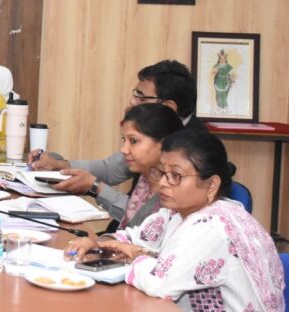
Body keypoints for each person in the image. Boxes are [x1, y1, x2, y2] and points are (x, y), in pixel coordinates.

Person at [66, 129, 284, 311]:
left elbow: (159, 283)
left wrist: (134, 255)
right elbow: (135, 237)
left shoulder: (212, 229)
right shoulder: (176, 212)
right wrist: (101, 245)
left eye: (176, 176)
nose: (163, 183)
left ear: (211, 185)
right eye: (163, 172)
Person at [29, 60, 207, 212]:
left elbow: (146, 220)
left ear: (168, 107)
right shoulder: (152, 137)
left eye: (142, 98)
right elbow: (111, 169)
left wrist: (94, 187)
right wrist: (59, 165)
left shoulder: (194, 153)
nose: (133, 102)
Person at [109, 104, 183, 227]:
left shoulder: (177, 194)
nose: (124, 150)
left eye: (133, 141)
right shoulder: (145, 178)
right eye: (124, 140)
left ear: (164, 144)